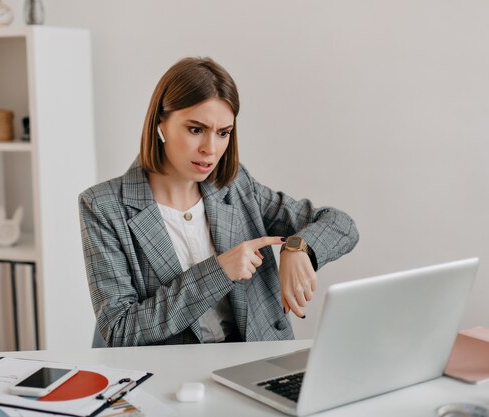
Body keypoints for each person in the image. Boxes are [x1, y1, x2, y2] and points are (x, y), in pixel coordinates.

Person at [79, 57, 359, 347]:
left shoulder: (236, 184)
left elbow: (341, 225)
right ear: (161, 122)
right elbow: (119, 329)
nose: (210, 150)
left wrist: (297, 248)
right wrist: (219, 271)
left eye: (223, 133)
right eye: (195, 129)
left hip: (255, 361)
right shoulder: (102, 206)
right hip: (172, 375)